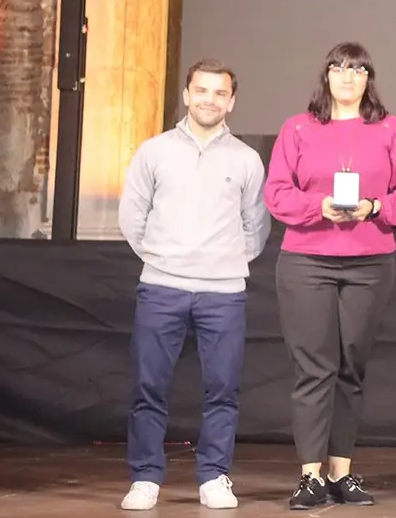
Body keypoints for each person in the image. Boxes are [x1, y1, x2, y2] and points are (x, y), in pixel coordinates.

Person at [264, 42, 396, 510]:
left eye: (358, 69)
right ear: (326, 76)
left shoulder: (390, 129)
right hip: (307, 261)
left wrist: (376, 207)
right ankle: (310, 476)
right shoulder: (297, 128)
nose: (348, 77)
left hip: (370, 262)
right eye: (339, 68)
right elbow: (276, 193)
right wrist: (320, 208)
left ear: (369, 78)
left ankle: (342, 473)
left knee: (351, 369)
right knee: (314, 369)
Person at [116, 59, 271, 511]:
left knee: (223, 388)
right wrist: (163, 257)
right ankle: (145, 478)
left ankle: (214, 476)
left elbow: (255, 227)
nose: (209, 99)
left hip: (223, 292)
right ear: (186, 94)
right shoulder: (154, 151)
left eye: (219, 93)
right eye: (201, 90)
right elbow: (132, 215)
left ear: (232, 101)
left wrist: (222, 263)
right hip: (161, 287)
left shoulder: (245, 159)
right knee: (149, 386)